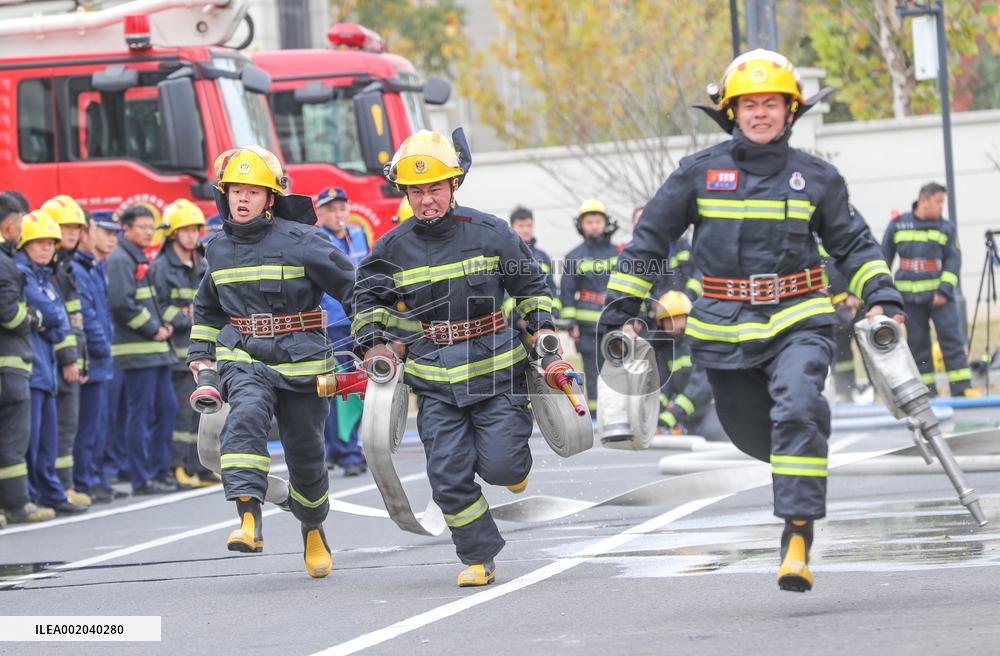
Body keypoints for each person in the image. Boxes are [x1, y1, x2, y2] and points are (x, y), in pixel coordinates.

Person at [602, 49, 903, 592]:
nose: (761, 113)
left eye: (772, 103)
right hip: (722, 328)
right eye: (750, 105)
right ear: (731, 112)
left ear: (791, 112)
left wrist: (881, 296)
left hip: (800, 318)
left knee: (798, 407)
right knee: (756, 433)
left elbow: (854, 245)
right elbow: (650, 241)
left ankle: (796, 537)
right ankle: (803, 442)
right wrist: (621, 307)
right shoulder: (699, 173)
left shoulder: (818, 179)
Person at [353, 129, 555, 587]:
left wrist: (541, 329)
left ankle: (515, 470)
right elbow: (367, 303)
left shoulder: (491, 233)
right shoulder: (390, 248)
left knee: (502, 466)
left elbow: (530, 288)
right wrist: (373, 344)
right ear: (404, 192)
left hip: (496, 371)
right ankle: (478, 556)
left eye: (435, 189)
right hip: (434, 377)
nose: (426, 200)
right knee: (447, 475)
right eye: (417, 191)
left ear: (454, 186)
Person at [187, 145, 355, 578]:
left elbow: (354, 289)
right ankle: (249, 519)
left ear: (271, 198)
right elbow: (207, 310)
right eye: (235, 191)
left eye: (252, 192)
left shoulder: (305, 241)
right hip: (244, 356)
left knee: (306, 455)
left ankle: (313, 530)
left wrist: (374, 341)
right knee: (243, 418)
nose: (242, 200)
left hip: (304, 362)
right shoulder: (218, 250)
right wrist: (201, 356)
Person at [16, 211, 87, 515]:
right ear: (24, 246)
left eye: (49, 243)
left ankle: (51, 492)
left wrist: (48, 319)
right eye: (38, 243)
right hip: (31, 369)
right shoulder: (23, 273)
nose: (46, 249)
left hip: (46, 371)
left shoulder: (47, 277)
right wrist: (50, 317)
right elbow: (52, 311)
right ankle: (33, 493)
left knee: (47, 437)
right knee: (29, 440)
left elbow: (56, 317)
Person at [106, 205, 178, 495]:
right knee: (141, 414)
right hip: (138, 353)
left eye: (152, 227)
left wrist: (164, 326)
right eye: (143, 227)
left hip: (157, 350)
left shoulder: (138, 257)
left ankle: (160, 471)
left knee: (167, 408)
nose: (149, 232)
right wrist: (154, 328)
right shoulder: (120, 259)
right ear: (126, 228)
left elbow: (151, 300)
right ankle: (141, 477)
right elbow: (122, 304)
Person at [882, 182, 976, 397]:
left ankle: (962, 388)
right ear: (924, 200)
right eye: (938, 202)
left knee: (951, 339)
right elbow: (883, 258)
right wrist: (884, 293)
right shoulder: (898, 224)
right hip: (909, 298)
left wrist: (944, 291)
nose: (941, 207)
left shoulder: (946, 228)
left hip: (939, 298)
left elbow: (954, 261)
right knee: (918, 343)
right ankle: (926, 390)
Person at [149, 199, 215, 488]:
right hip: (178, 354)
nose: (191, 236)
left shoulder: (201, 263)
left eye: (195, 230)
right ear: (173, 233)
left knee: (204, 414)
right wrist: (184, 317)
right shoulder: (162, 267)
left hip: (203, 352)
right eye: (185, 230)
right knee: (183, 414)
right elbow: (158, 306)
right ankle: (179, 466)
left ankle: (199, 467)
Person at [0, 195, 56, 525]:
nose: (22, 228)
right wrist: (33, 317)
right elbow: (10, 315)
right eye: (21, 221)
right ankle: (17, 505)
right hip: (10, 364)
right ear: (9, 224)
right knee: (13, 440)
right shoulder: (5, 264)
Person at [71, 211, 127, 504]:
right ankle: (86, 480)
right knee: (88, 426)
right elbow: (88, 316)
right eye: (104, 232)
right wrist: (103, 345)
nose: (109, 238)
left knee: (100, 424)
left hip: (102, 359)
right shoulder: (80, 268)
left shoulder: (94, 266)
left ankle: (96, 477)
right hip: (93, 358)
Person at [314, 187, 368, 476]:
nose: (338, 214)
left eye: (342, 208)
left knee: (359, 387)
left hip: (359, 323)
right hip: (333, 326)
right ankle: (346, 452)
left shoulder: (358, 235)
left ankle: (341, 448)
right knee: (342, 389)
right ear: (320, 214)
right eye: (331, 209)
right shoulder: (316, 240)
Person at [40, 195, 90, 507]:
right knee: (58, 427)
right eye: (64, 227)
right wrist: (69, 358)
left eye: (75, 227)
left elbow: (75, 321)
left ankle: (64, 485)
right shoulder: (53, 270)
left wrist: (80, 357)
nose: (71, 233)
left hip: (70, 356)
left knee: (68, 426)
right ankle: (57, 488)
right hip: (57, 361)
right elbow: (58, 321)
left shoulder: (64, 267)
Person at [560, 199, 619, 411]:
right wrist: (571, 324)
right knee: (592, 372)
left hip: (614, 324)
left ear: (605, 223)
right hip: (586, 329)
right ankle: (595, 414)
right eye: (589, 221)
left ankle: (615, 412)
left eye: (598, 220)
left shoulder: (618, 253)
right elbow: (566, 292)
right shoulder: (574, 256)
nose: (594, 225)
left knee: (615, 370)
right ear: (581, 225)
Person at [650, 291, 727, 440]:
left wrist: (673, 414)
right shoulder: (667, 351)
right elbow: (664, 389)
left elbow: (702, 387)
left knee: (711, 434)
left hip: (712, 408)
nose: (673, 324)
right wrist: (654, 414)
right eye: (668, 320)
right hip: (687, 413)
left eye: (677, 318)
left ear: (688, 317)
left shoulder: (699, 342)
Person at [509, 206, 560, 317]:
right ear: (512, 227)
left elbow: (551, 287)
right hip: (514, 323)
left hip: (542, 317)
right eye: (521, 226)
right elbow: (503, 292)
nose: (526, 230)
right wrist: (516, 317)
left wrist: (554, 313)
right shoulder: (505, 255)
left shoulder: (543, 257)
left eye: (529, 225)